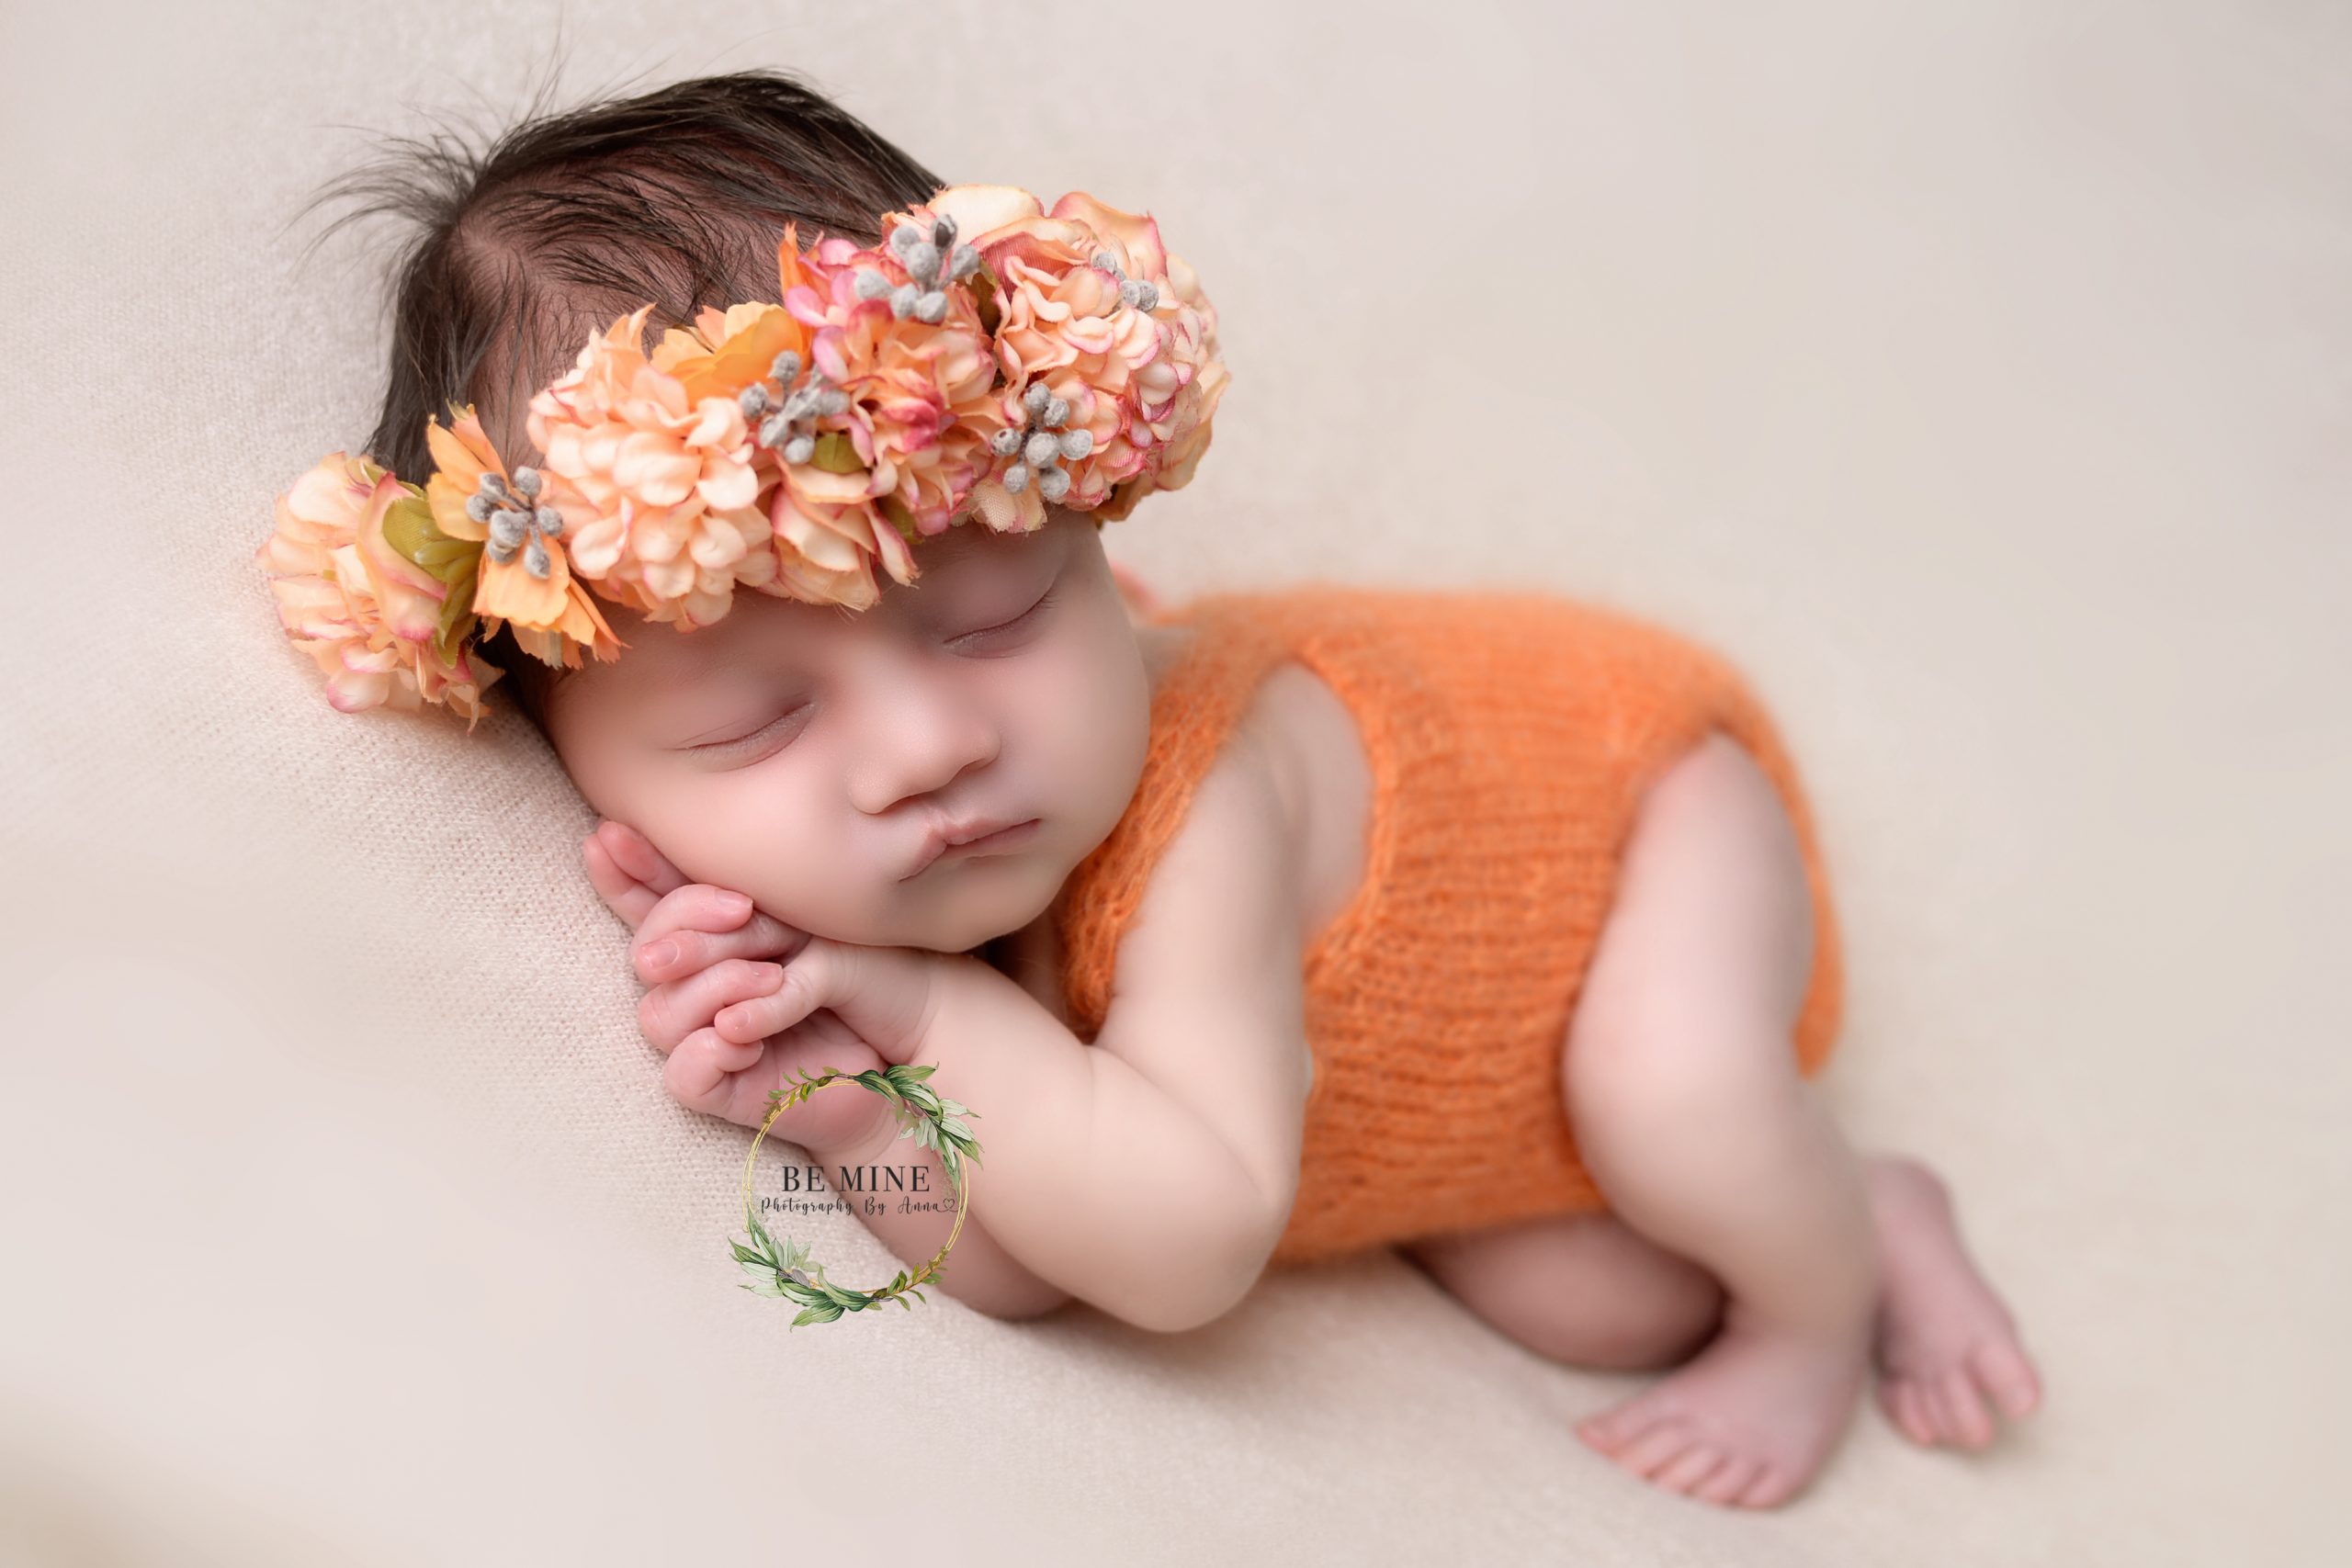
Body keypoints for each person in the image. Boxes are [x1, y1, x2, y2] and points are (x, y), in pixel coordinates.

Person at [260, 67, 2042, 1510]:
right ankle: (1873, 1204)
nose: (926, 747)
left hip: (1622, 792)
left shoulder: (1196, 804)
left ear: (1093, 530)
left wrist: (914, 1017)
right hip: (1449, 1069)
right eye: (754, 724)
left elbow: (1186, 1244)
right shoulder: (913, 865)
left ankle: (1816, 1310)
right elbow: (1060, 1246)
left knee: (1676, 1104)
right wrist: (847, 1113)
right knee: (1601, 1299)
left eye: (996, 616)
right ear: (568, 741)